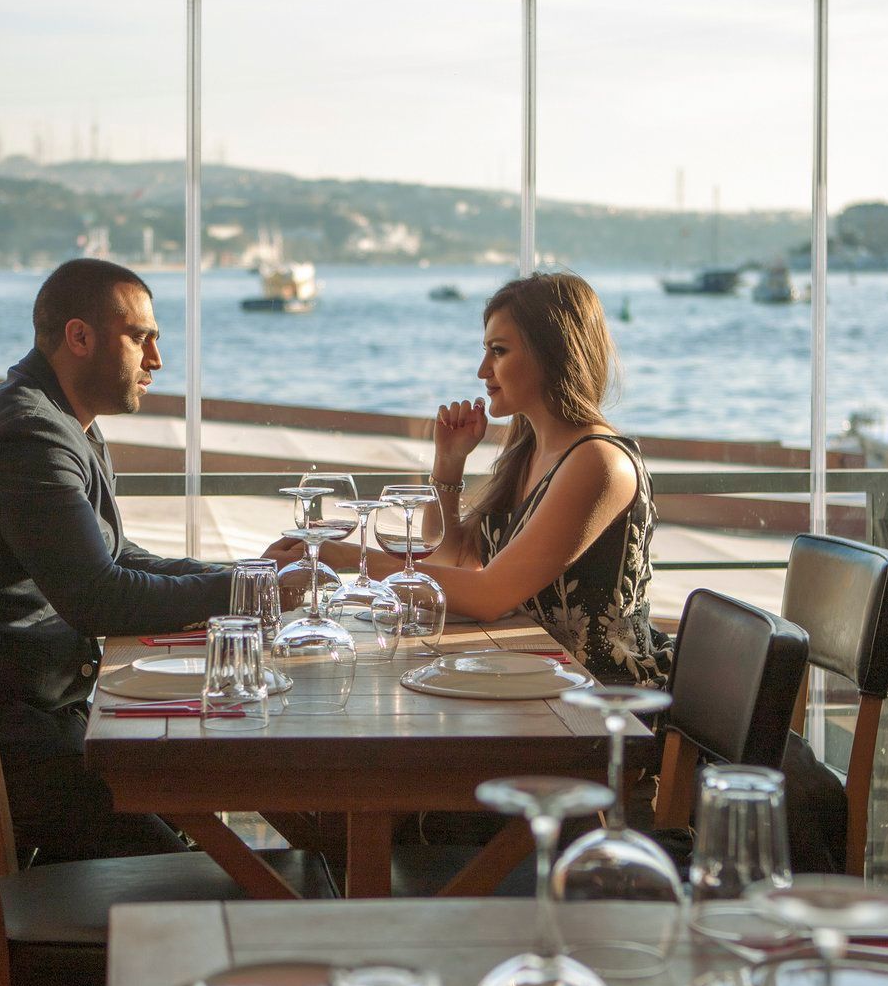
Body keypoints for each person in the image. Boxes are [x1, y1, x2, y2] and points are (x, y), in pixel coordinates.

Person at [0, 258, 232, 861]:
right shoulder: (27, 433)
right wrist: (243, 595)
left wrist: (240, 578)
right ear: (79, 337)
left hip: (13, 721)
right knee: (174, 862)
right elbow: (99, 597)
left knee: (175, 803)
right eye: (141, 338)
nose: (156, 360)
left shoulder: (62, 422)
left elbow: (113, 556)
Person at [279, 270, 672, 689]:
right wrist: (448, 463)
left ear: (552, 354)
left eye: (498, 351)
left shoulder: (599, 462)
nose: (483, 369)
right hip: (535, 679)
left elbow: (488, 596)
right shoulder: (529, 453)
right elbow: (451, 558)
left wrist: (345, 560)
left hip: (606, 701)